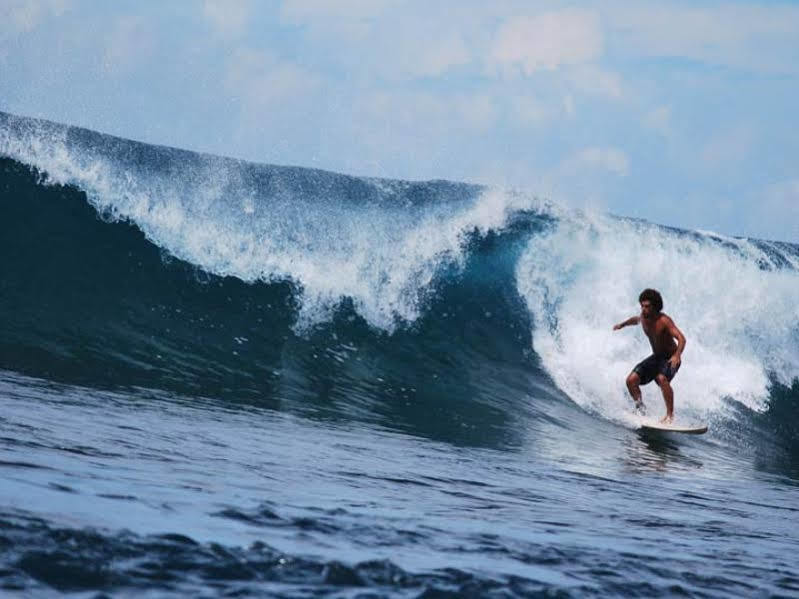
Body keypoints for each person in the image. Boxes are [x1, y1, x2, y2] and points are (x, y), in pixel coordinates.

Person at [613, 289, 686, 423]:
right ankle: (641, 409)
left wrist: (677, 355)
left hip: (671, 357)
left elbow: (681, 338)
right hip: (657, 357)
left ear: (655, 306)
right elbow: (635, 320)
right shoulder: (643, 318)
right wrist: (622, 325)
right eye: (642, 306)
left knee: (661, 379)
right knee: (631, 380)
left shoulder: (664, 321)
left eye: (647, 306)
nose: (644, 309)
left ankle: (670, 416)